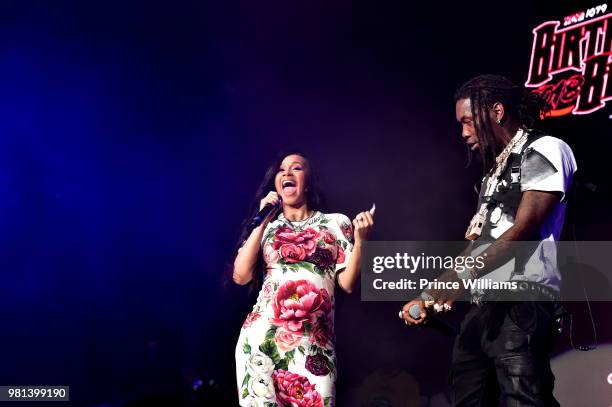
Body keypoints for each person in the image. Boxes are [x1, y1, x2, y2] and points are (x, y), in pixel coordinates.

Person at [401, 75, 577, 406]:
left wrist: (460, 279)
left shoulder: (543, 149)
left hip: (522, 301)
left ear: (496, 111)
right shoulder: (491, 175)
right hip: (483, 306)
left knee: (523, 399)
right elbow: (478, 245)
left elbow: (523, 230)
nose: (464, 133)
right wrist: (430, 294)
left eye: (468, 121)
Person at [233, 152, 374, 406]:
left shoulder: (335, 223)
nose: (287, 173)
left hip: (315, 348)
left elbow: (347, 283)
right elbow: (241, 275)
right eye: (281, 170)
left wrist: (362, 240)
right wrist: (262, 217)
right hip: (262, 343)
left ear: (307, 182)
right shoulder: (268, 226)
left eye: (296, 168)